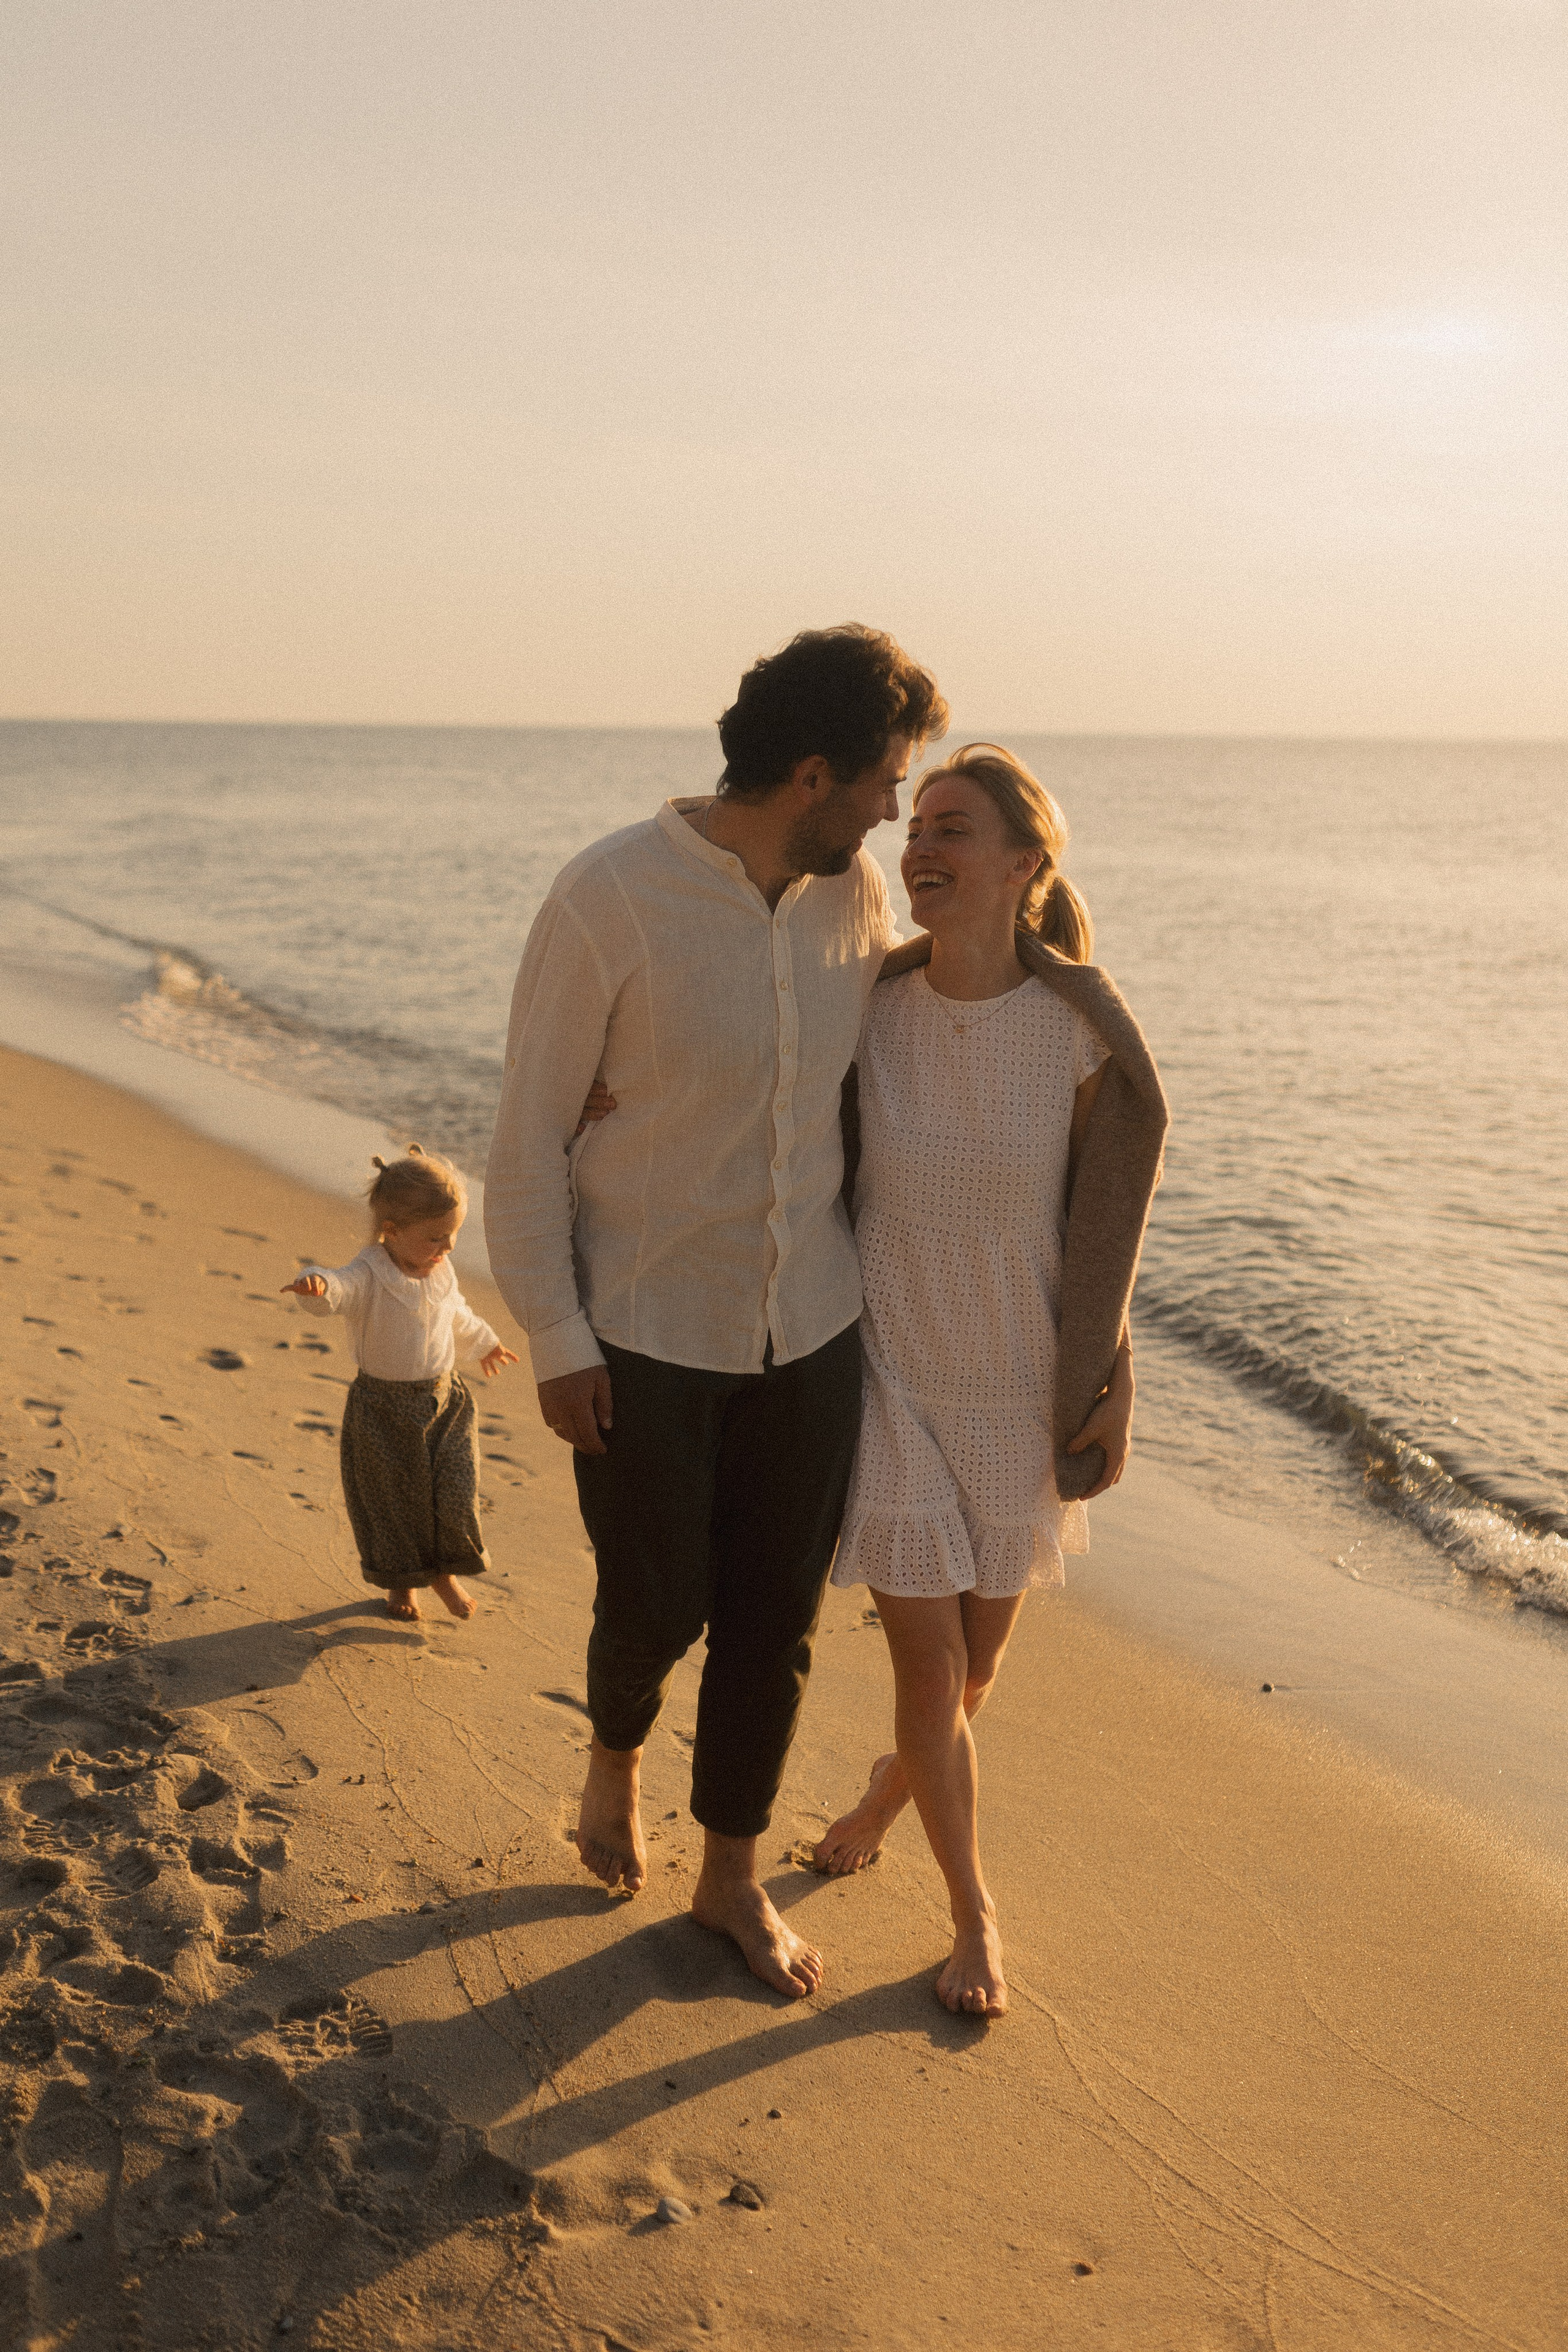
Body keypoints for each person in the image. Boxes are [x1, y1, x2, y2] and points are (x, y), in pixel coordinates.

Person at [484, 625, 949, 1999]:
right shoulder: (607, 900)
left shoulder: (851, 897)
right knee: (654, 1605)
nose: (889, 812)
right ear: (811, 774)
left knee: (773, 1618)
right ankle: (616, 1751)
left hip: (809, 1328)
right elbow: (523, 1151)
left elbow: (923, 1035)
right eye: (879, 784)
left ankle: (727, 1878)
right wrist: (559, 1342)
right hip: (642, 1334)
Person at [810, 744, 1167, 2016]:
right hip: (889, 1382)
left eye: (951, 827)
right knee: (927, 1675)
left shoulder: (1074, 1035)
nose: (919, 847)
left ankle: (881, 1792)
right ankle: (974, 1920)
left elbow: (1101, 1230)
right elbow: (759, 1098)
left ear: (1023, 863)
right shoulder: (868, 1008)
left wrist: (1112, 1379)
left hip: (1020, 1394)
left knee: (971, 1680)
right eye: (912, 826)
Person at [282, 1148, 518, 1624]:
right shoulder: (371, 1272)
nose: (447, 1248)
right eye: (435, 1238)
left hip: (445, 1401)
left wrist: (486, 1343)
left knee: (454, 1490)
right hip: (382, 1411)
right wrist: (317, 1286)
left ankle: (445, 1573)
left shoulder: (442, 1271)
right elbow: (339, 1286)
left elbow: (458, 1316)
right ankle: (402, 1584)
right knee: (391, 1501)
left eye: (452, 1236)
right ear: (392, 1231)